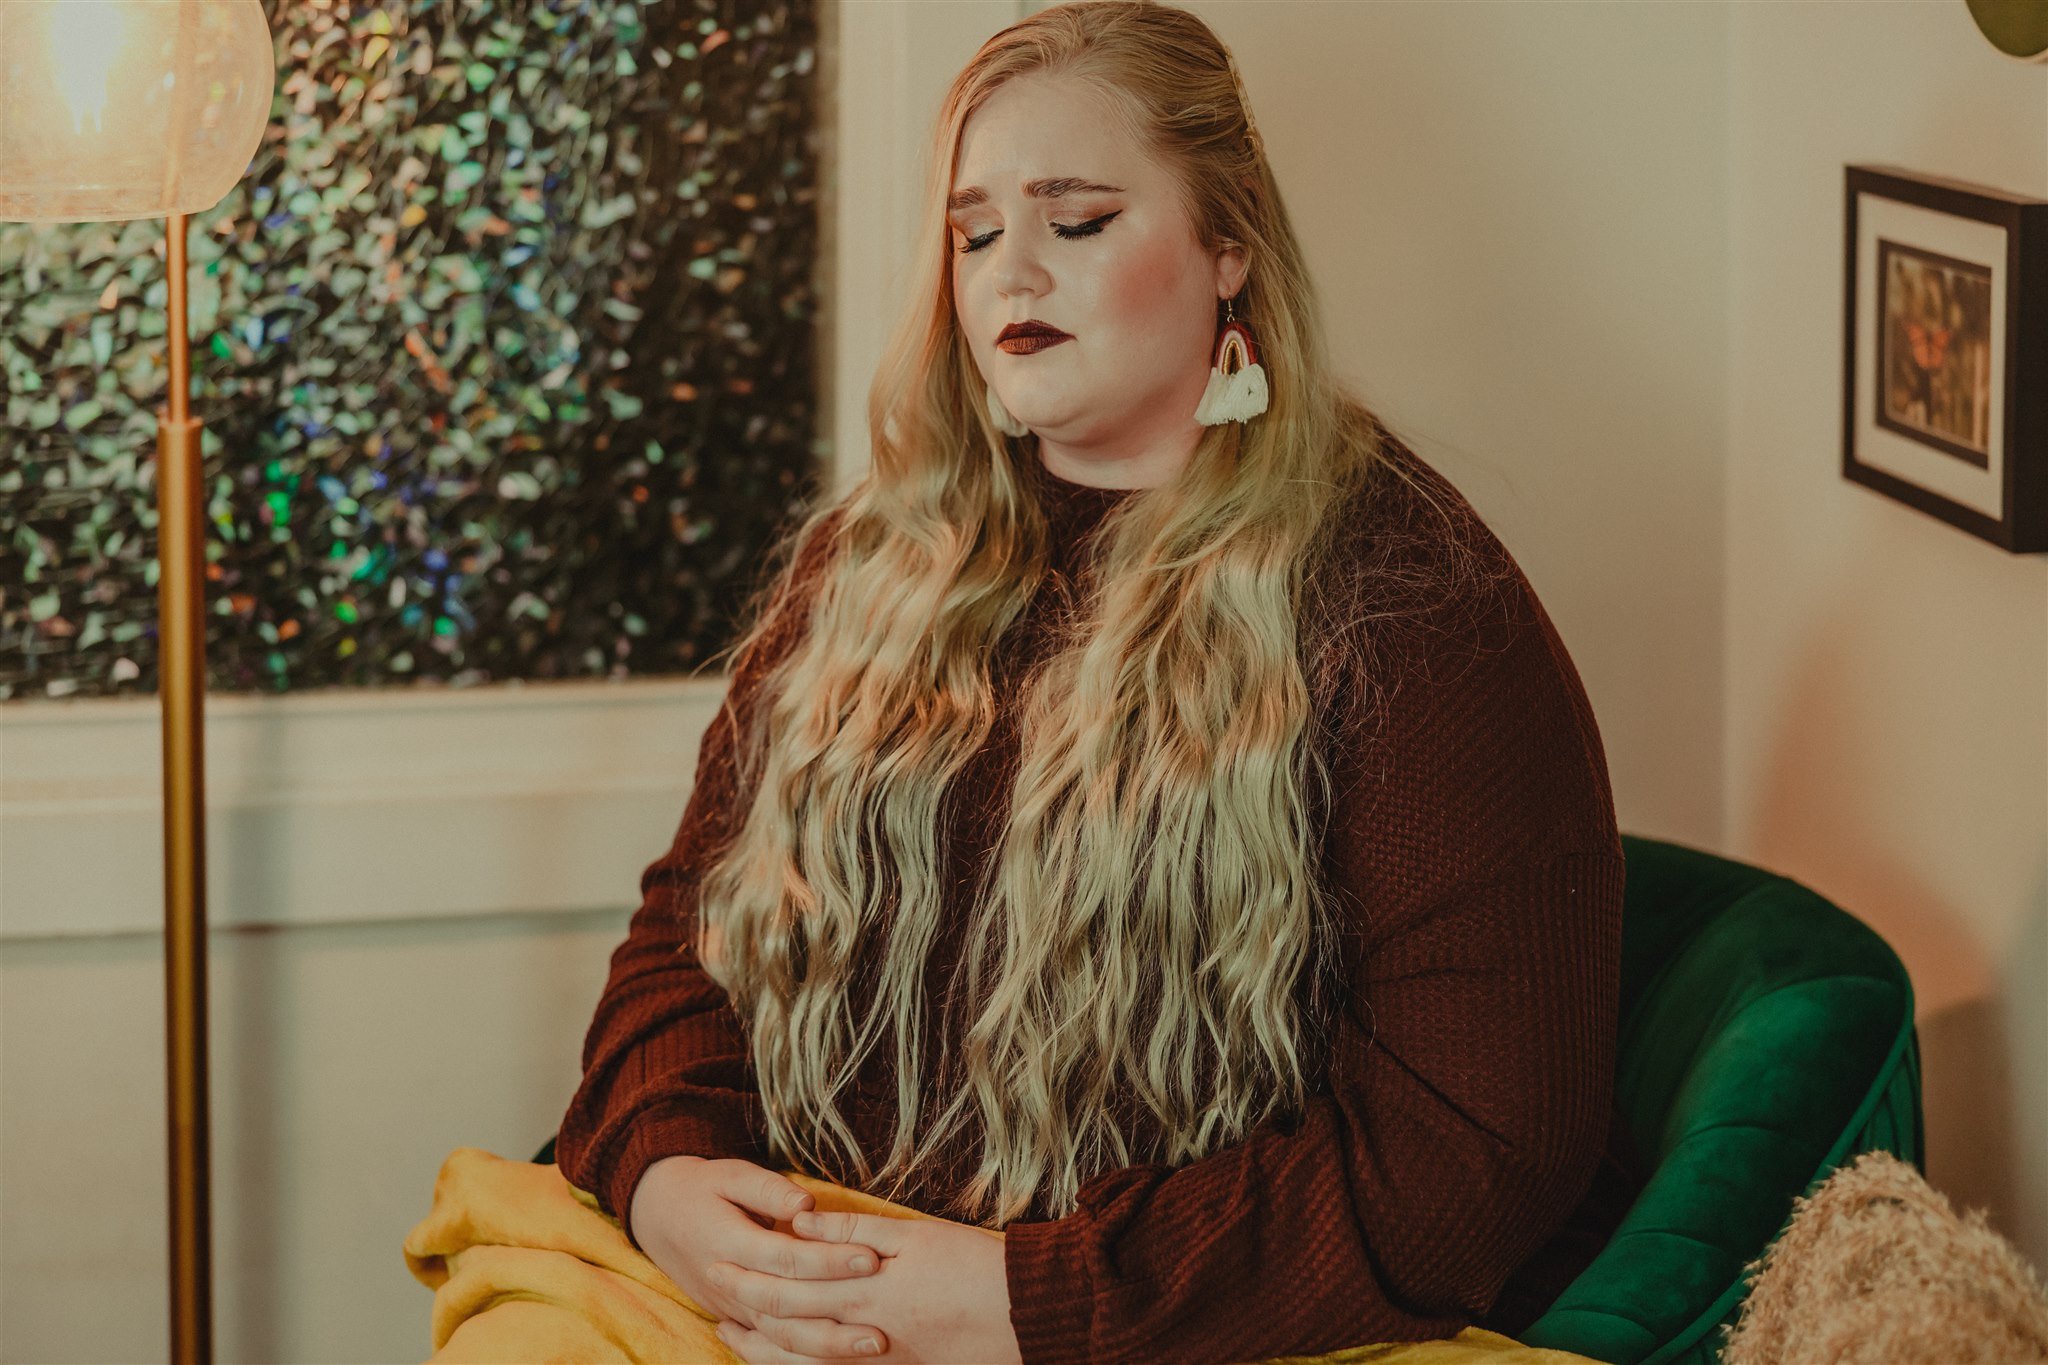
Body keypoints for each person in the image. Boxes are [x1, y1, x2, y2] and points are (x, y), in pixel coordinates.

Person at [543, 3, 1646, 1362]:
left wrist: (1018, 1304)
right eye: (974, 232)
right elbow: (685, 938)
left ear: (1227, 243)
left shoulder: (1410, 606)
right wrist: (667, 1176)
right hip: (773, 1304)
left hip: (1157, 1329)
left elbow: (1477, 1149)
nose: (1013, 274)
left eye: (1076, 224)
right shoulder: (871, 557)